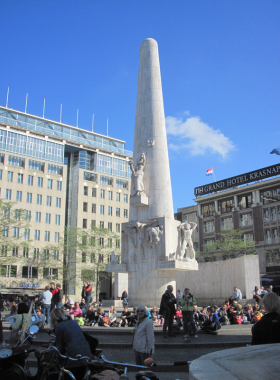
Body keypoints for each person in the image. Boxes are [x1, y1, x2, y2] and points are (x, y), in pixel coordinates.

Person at [50, 308, 91, 380]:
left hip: (73, 355)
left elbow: (59, 347)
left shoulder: (59, 326)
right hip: (86, 353)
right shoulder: (73, 322)